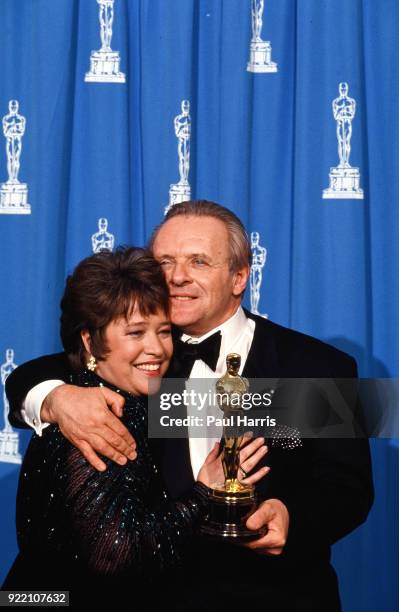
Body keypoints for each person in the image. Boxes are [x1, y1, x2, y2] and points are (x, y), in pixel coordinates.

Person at [6, 201, 373, 610]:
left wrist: (292, 515)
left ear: (239, 276)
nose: (178, 277)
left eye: (199, 261)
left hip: (277, 594)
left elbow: (348, 488)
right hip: (157, 596)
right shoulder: (143, 356)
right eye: (165, 261)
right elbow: (34, 375)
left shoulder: (316, 365)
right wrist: (55, 398)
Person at [2, 246, 269, 609]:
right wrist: (204, 494)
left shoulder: (130, 398)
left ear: (240, 276)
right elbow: (114, 553)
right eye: (135, 332)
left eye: (163, 332)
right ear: (89, 339)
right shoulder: (93, 416)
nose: (156, 349)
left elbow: (337, 455)